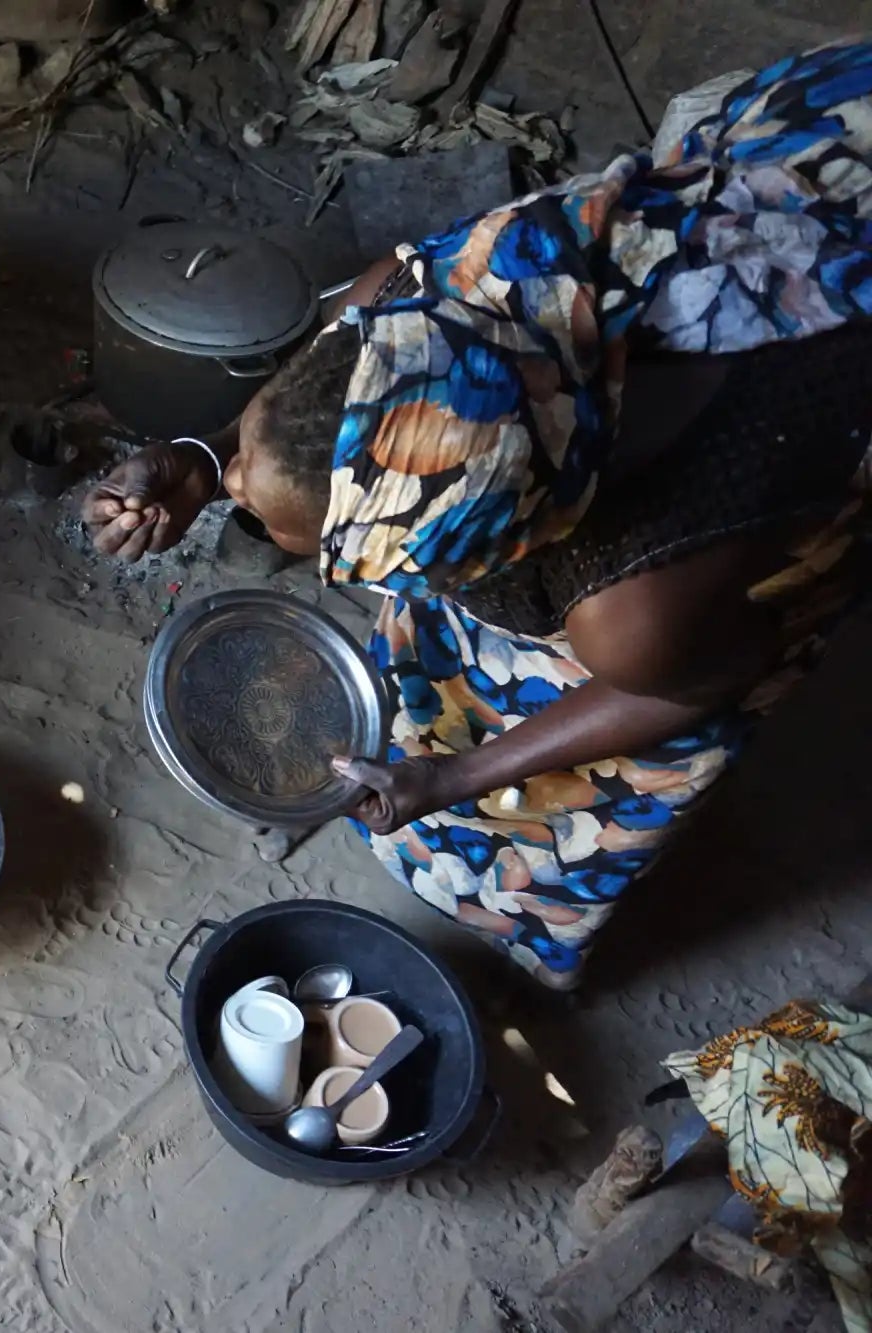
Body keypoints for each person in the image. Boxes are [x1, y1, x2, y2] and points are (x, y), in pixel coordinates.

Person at [84, 44, 872, 990]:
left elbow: (713, 670)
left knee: (613, 752)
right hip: (797, 154)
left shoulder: (636, 608)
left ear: (458, 549)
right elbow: (314, 417)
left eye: (245, 490)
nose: (232, 489)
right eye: (247, 455)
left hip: (828, 319)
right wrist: (207, 460)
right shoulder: (422, 302)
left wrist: (454, 778)